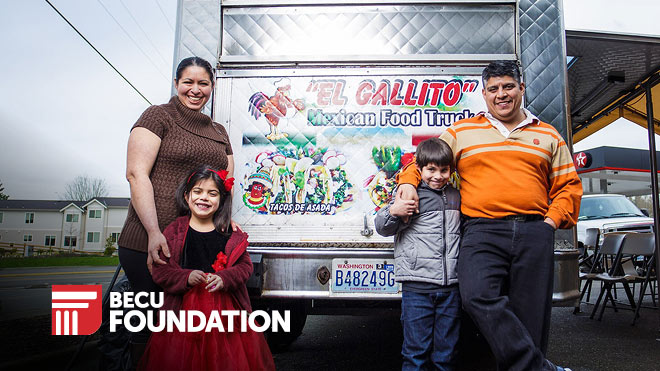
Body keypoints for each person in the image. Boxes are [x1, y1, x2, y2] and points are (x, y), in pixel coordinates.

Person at [396, 60, 582, 371]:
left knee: (530, 316)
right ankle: (541, 368)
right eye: (493, 89)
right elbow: (423, 162)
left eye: (508, 86)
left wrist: (550, 223)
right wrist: (406, 184)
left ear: (521, 89)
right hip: (481, 231)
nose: (501, 94)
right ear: (484, 94)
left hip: (534, 230)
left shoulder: (548, 135)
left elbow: (568, 187)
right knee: (475, 296)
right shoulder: (462, 132)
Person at [117, 56, 234, 360]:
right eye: (188, 82)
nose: (195, 90)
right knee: (152, 324)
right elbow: (136, 174)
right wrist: (155, 232)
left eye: (203, 83)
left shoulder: (219, 132)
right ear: (176, 84)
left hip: (197, 246)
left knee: (190, 327)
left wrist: (227, 225)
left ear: (212, 87)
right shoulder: (158, 117)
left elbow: (226, 186)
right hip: (150, 243)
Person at [139, 166, 275, 371]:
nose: (204, 198)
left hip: (226, 315)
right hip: (181, 316)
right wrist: (185, 277)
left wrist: (225, 278)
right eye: (198, 191)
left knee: (225, 361)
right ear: (186, 196)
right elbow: (161, 270)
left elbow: (245, 267)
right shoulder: (175, 230)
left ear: (221, 200)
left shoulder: (229, 233)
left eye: (212, 193)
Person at [375, 138, 461, 371]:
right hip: (417, 289)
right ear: (419, 169)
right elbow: (382, 227)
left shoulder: (456, 197)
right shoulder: (410, 196)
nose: (438, 176)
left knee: (446, 355)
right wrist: (393, 210)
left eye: (444, 170)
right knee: (415, 354)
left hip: (450, 289)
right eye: (431, 170)